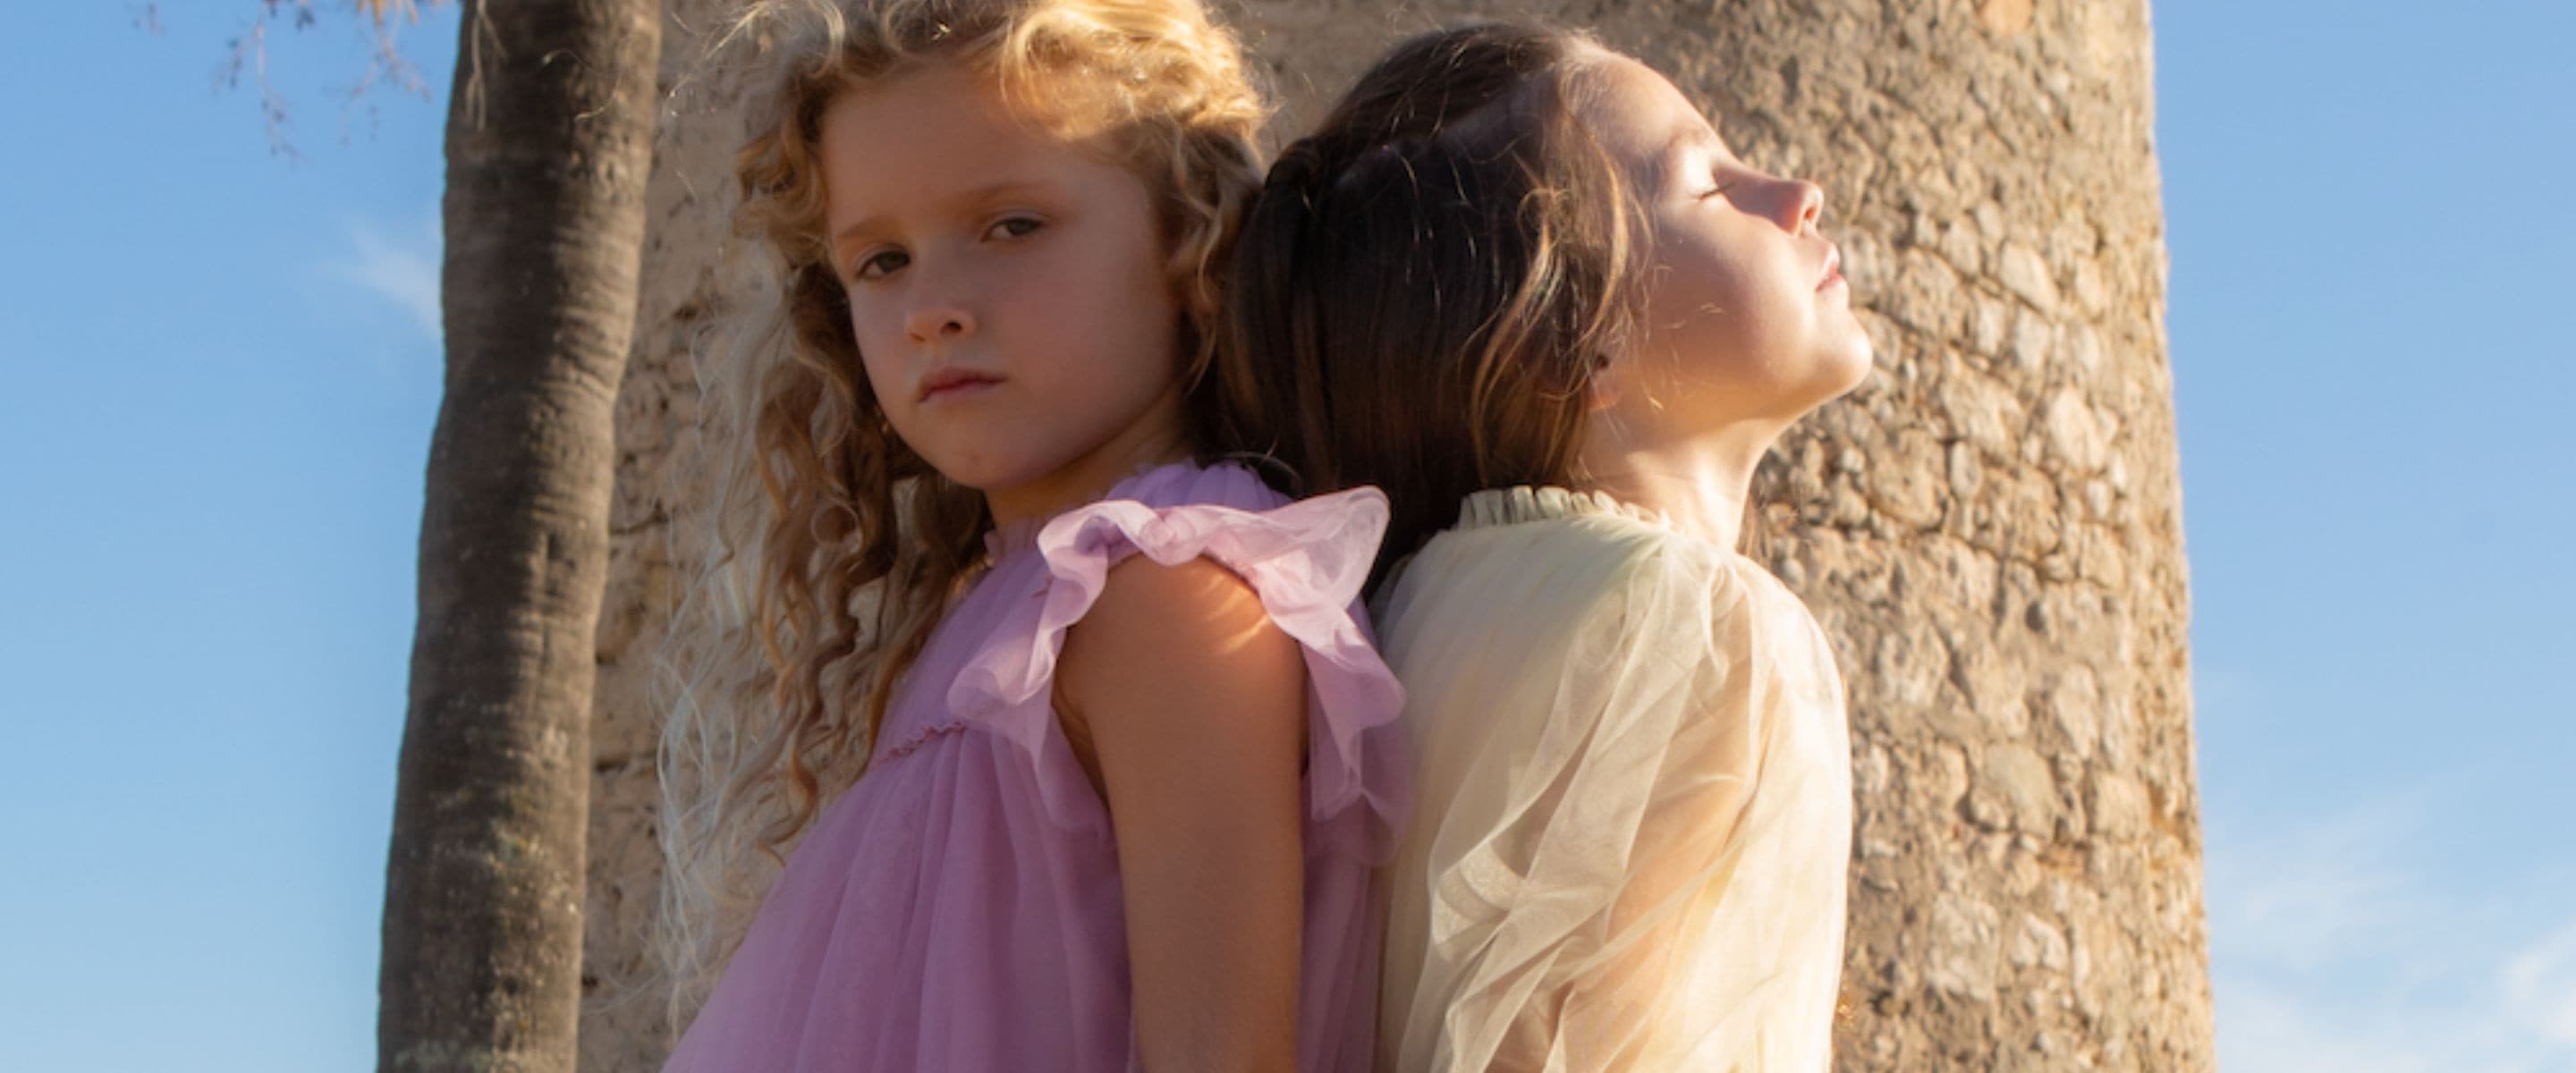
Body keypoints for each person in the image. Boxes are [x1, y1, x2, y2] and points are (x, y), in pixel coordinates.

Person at [653, 2, 1408, 1069]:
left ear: (1189, 238)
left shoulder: (1170, 592)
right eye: (881, 261)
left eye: (1012, 225)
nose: (932, 309)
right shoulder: (989, 620)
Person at [1231, 22, 1870, 1071]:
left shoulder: (1393, 619)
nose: (1796, 192)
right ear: (1569, 336)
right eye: (1706, 183)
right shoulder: (1696, 621)